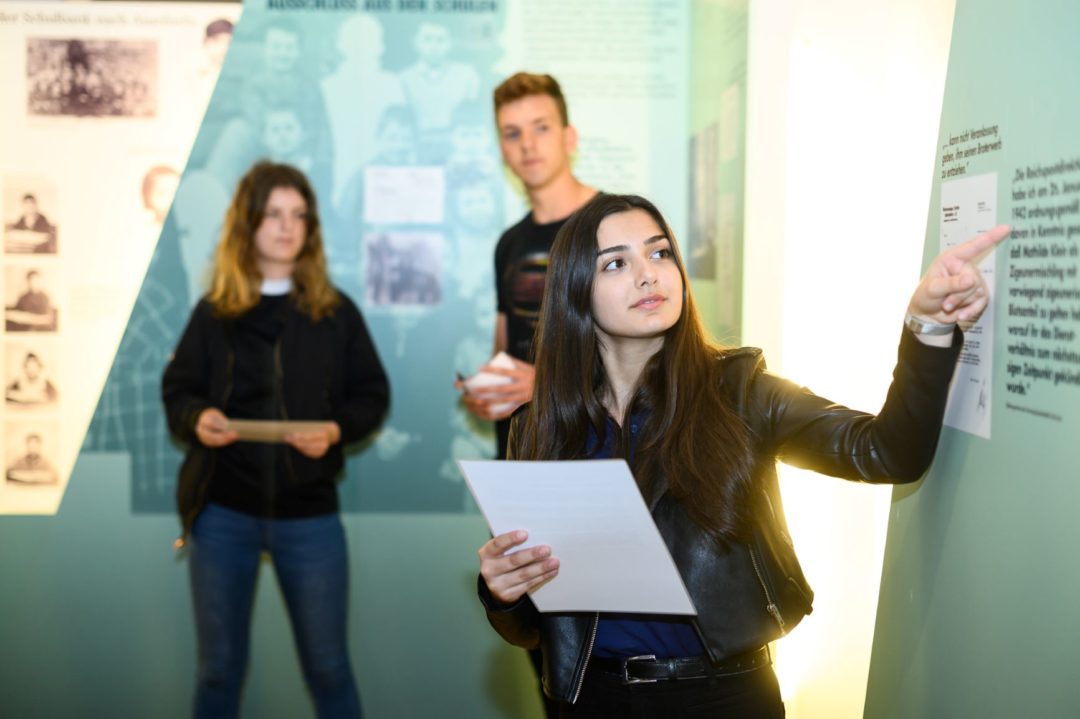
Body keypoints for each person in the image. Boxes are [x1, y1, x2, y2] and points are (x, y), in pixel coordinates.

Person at [476, 193, 1010, 716]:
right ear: (576, 292)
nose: (648, 274)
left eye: (660, 253)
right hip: (590, 699)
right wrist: (502, 592)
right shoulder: (541, 429)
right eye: (616, 263)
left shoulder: (741, 394)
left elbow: (885, 453)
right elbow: (534, 627)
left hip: (720, 697)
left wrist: (928, 327)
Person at [162, 161, 389, 718]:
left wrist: (336, 430)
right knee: (217, 673)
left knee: (330, 669)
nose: (287, 228)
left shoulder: (334, 312)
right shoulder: (215, 312)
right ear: (248, 223)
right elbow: (178, 388)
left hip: (309, 514)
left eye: (299, 217)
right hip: (222, 515)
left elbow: (372, 395)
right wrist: (197, 418)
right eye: (273, 215)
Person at [457, 72, 597, 460]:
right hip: (520, 451)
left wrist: (546, 384)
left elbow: (650, 357)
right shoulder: (509, 243)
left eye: (541, 128)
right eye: (512, 133)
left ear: (569, 138)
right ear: (501, 148)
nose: (528, 145)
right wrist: (489, 390)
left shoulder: (614, 223)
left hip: (596, 450)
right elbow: (505, 351)